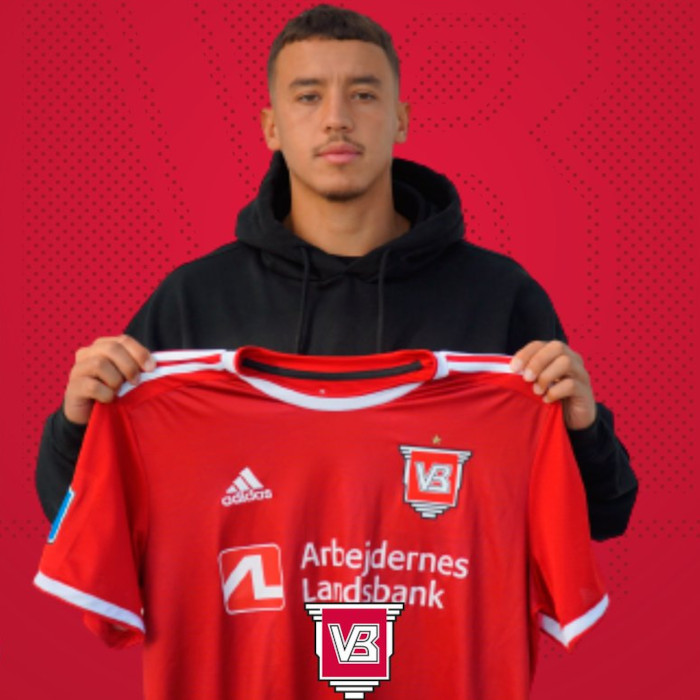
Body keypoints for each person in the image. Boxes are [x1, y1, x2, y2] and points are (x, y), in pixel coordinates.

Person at [35, 4, 636, 542]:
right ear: (271, 126)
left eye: (364, 94)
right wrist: (76, 426)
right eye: (308, 96)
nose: (337, 119)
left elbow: (604, 516)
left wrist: (583, 430)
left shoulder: (498, 296)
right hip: (249, 625)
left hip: (436, 627)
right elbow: (75, 518)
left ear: (400, 120)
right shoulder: (194, 300)